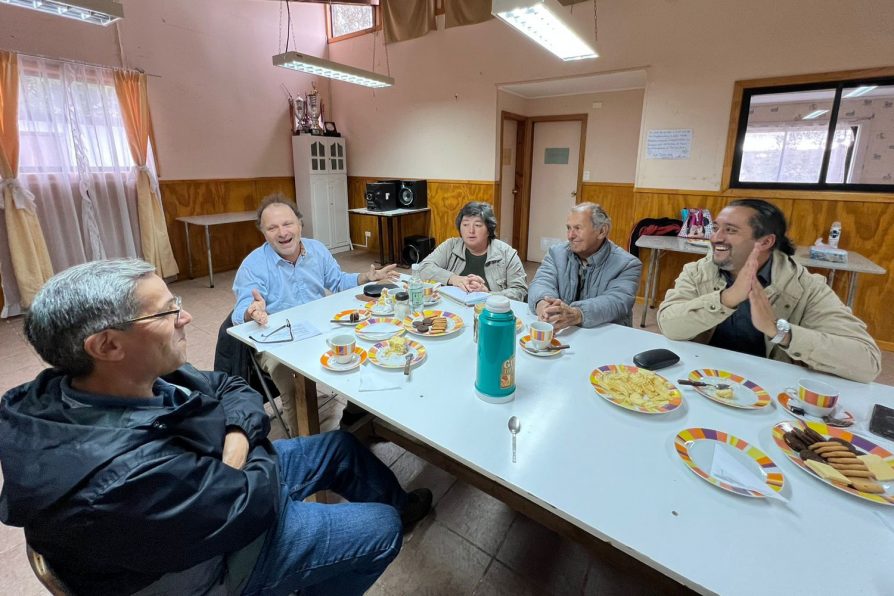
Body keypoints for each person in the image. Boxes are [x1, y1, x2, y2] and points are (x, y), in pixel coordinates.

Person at [0, 259, 431, 595]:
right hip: (206, 565)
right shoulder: (117, 477)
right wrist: (238, 459)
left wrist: (238, 441)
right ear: (108, 344)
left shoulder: (119, 376)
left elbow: (231, 385)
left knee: (339, 444)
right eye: (168, 311)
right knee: (380, 529)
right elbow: (254, 503)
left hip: (215, 486)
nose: (185, 318)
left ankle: (398, 503)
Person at [657, 199, 881, 383]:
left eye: (730, 230)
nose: (716, 238)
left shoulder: (806, 287)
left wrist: (780, 332)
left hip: (770, 390)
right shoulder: (699, 271)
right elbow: (669, 325)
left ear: (765, 242)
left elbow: (867, 363)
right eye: (715, 228)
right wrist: (727, 299)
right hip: (702, 378)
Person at [233, 193, 399, 434]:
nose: (282, 232)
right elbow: (241, 311)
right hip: (279, 339)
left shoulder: (317, 250)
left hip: (320, 327)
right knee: (289, 380)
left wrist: (366, 278)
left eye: (288, 224)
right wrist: (251, 311)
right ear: (264, 233)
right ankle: (304, 441)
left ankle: (356, 415)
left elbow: (339, 281)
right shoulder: (253, 264)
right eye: (272, 227)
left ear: (300, 223)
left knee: (368, 341)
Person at [528, 202, 642, 331]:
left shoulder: (628, 264)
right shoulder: (556, 253)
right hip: (564, 333)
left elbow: (617, 301)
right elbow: (541, 282)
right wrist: (544, 305)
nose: (570, 235)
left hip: (605, 335)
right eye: (568, 228)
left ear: (602, 231)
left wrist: (578, 313)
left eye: (578, 228)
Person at [417, 201, 527, 301]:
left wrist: (488, 294)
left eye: (478, 225)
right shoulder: (450, 245)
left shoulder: (507, 253)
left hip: (490, 311)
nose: (471, 231)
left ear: (489, 230)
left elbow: (520, 291)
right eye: (465, 225)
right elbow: (423, 267)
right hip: (453, 307)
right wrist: (453, 278)